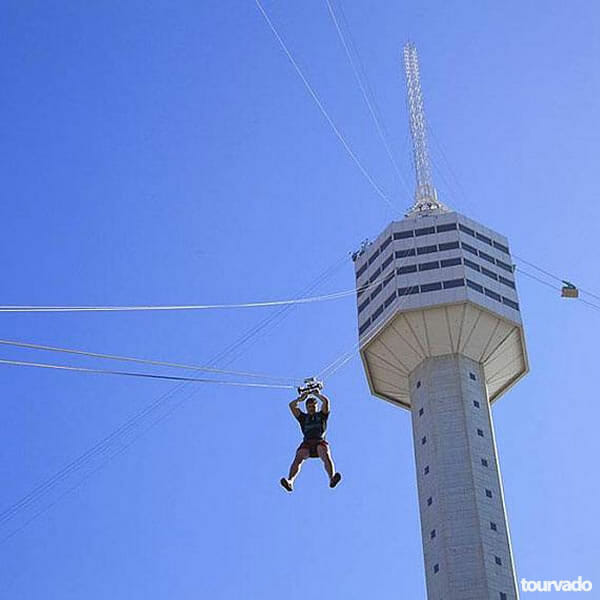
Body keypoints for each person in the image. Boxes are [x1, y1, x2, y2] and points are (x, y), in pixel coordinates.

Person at [280, 389, 342, 492]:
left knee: (325, 454)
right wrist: (301, 398)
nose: (311, 408)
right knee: (299, 457)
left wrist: (316, 394)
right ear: (306, 408)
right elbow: (292, 405)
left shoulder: (322, 415)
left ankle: (331, 478)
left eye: (313, 406)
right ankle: (290, 481)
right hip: (307, 442)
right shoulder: (303, 418)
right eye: (309, 407)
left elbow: (326, 402)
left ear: (316, 407)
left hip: (319, 441)